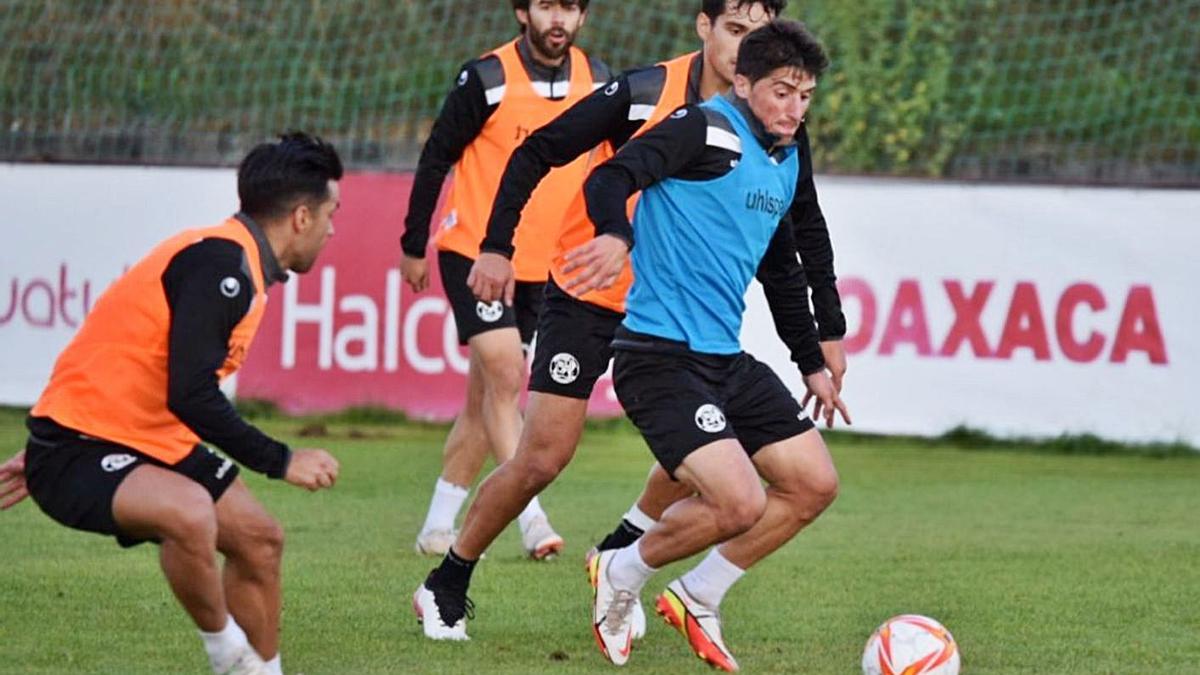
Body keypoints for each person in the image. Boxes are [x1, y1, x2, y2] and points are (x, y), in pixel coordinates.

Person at [412, 0, 846, 644]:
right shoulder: (646, 91)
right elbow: (539, 153)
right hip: (592, 290)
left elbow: (796, 232)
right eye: (735, 30)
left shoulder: (778, 125)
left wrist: (823, 336)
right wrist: (499, 245)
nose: (746, 45)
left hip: (678, 318)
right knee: (542, 456)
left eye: (759, 34)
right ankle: (448, 579)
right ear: (705, 28)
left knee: (701, 446)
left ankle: (621, 552)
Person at [2, 132, 344, 675]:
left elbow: (136, 365)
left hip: (143, 436)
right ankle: (226, 655)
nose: (333, 230)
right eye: (331, 214)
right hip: (80, 447)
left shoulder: (239, 264)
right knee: (189, 512)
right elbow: (191, 394)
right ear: (301, 217)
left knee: (260, 540)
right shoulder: (221, 266)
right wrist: (281, 460)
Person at [579, 21, 846, 670]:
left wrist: (811, 360)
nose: (794, 109)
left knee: (813, 483)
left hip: (722, 359)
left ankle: (700, 592)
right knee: (740, 500)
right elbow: (611, 178)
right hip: (656, 355)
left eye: (805, 96)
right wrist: (615, 233)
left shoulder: (785, 155)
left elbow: (781, 267)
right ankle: (623, 568)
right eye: (781, 92)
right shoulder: (703, 127)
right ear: (743, 81)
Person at [399, 0, 610, 561]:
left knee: (485, 400)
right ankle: (532, 520)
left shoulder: (599, 81)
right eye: (546, 6)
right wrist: (412, 242)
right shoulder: (486, 78)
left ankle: (438, 524)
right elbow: (436, 156)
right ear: (522, 12)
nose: (558, 18)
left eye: (570, 7)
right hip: (476, 254)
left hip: (548, 265)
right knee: (505, 373)